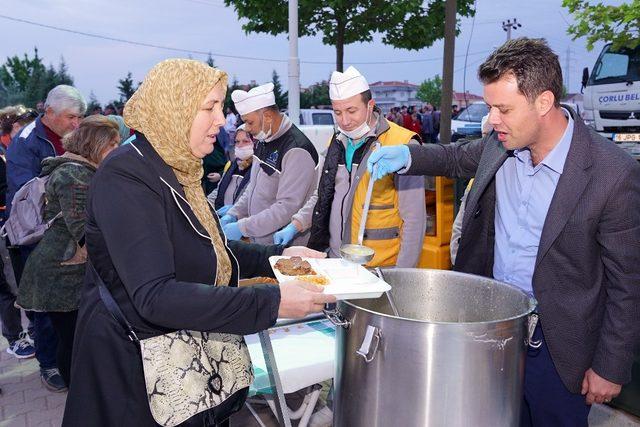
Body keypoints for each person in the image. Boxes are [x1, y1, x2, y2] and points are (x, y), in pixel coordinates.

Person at [368, 38, 640, 426]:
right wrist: (408, 156)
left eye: (503, 108)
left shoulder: (612, 174)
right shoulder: (500, 146)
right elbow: (455, 156)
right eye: (491, 106)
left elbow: (628, 283)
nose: (492, 119)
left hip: (558, 347)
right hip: (492, 328)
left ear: (543, 103)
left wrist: (610, 366)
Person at [62, 59, 335, 426]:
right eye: (210, 107)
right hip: (135, 375)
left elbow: (208, 247)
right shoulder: (126, 177)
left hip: (179, 362)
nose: (222, 120)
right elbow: (155, 295)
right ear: (173, 106)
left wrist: (278, 256)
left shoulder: (177, 167)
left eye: (220, 107)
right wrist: (274, 300)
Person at [274, 66, 426, 268]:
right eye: (337, 112)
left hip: (381, 268)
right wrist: (295, 225)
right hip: (337, 262)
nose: (344, 121)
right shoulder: (335, 143)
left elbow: (414, 221)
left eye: (351, 111)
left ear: (370, 105)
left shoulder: (402, 144)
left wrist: (403, 276)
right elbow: (323, 196)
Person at [16, 116, 121, 387]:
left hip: (66, 270)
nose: (118, 150)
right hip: (61, 275)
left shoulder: (78, 169)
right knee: (74, 341)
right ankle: (79, 396)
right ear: (98, 145)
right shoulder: (74, 175)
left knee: (74, 339)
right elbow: (83, 230)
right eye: (114, 144)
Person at [6, 84, 86, 392]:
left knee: (67, 305)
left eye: (79, 117)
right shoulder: (25, 142)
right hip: (39, 237)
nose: (76, 124)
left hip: (66, 231)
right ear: (49, 113)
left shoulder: (71, 135)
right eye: (70, 118)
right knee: (45, 304)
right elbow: (25, 194)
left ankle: (68, 357)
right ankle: (49, 363)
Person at [220, 83, 319, 245]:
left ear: (267, 116)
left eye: (250, 122)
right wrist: (235, 213)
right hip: (259, 240)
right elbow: (253, 187)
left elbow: (286, 208)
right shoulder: (264, 139)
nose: (247, 128)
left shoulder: (296, 149)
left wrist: (242, 227)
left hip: (282, 246)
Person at [213, 125, 253, 215]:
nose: (240, 145)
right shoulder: (230, 165)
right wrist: (206, 205)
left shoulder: (259, 169)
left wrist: (236, 212)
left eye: (245, 141)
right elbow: (217, 191)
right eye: (237, 142)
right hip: (221, 217)